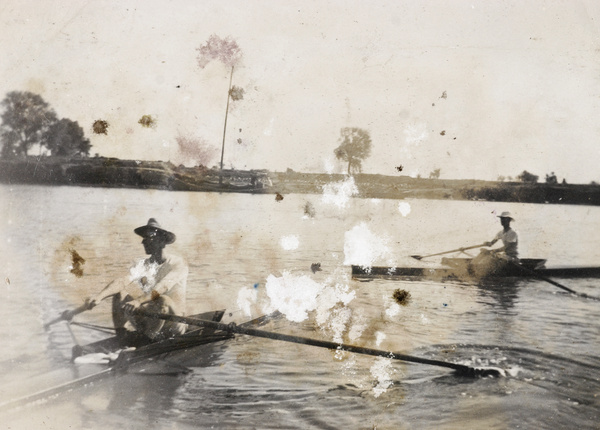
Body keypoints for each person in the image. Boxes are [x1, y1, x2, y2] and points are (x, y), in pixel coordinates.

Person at [86, 218, 188, 341]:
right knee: (121, 293)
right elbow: (123, 281)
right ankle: (121, 338)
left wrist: (138, 301)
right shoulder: (143, 265)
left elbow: (162, 287)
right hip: (152, 321)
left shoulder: (178, 263)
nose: (143, 242)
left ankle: (145, 344)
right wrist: (99, 297)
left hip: (174, 324)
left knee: (163, 299)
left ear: (162, 242)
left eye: (149, 238)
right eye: (143, 238)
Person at [469, 212, 518, 276]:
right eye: (501, 219)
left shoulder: (512, 233)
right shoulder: (500, 233)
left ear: (509, 220)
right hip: (505, 256)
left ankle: (477, 271)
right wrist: (487, 243)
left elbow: (507, 247)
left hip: (512, 257)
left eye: (504, 219)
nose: (502, 221)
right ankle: (471, 267)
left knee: (490, 255)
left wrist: (492, 251)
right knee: (483, 252)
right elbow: (491, 243)